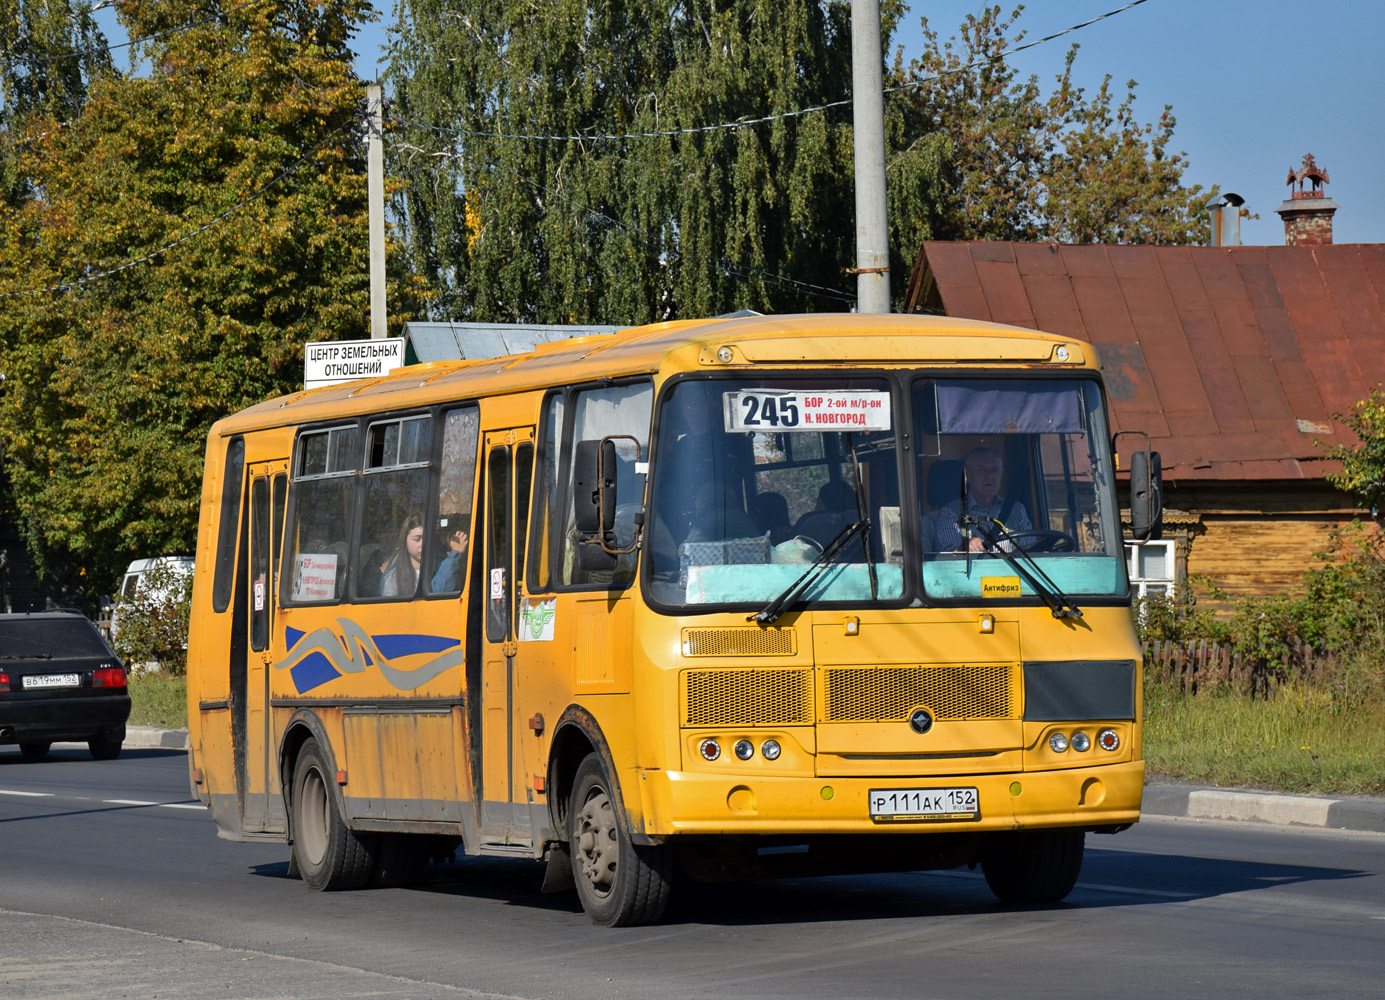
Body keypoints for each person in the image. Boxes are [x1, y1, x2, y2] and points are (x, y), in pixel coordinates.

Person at [928, 447, 1031, 552]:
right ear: (968, 475)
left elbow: (1031, 553)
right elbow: (949, 558)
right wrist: (966, 547)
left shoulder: (1017, 510)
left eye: (994, 470)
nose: (990, 475)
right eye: (982, 470)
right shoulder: (950, 512)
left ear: (1001, 473)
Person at [380, 514, 425, 597]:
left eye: (425, 539)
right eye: (417, 539)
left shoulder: (437, 570)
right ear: (405, 540)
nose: (422, 544)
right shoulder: (394, 578)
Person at [430, 527, 469, 593]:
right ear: (449, 554)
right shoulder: (442, 570)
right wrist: (456, 554)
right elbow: (439, 591)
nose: (463, 558)